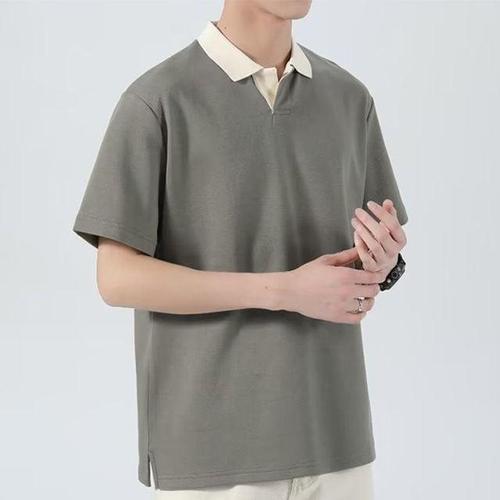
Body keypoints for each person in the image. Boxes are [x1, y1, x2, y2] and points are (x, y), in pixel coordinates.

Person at [72, 0, 408, 498]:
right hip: (216, 454)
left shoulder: (349, 98)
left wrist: (381, 262)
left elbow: (366, 259)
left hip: (338, 441)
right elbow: (116, 278)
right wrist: (285, 291)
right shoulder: (158, 100)